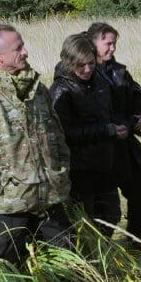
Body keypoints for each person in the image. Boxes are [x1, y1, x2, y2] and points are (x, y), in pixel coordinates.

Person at [0, 24, 74, 265]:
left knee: (70, 262)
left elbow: (57, 135)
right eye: (18, 48)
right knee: (7, 269)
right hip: (8, 205)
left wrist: (60, 172)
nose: (26, 52)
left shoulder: (37, 89)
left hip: (48, 196)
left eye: (23, 45)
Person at [50, 33, 127, 236]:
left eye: (91, 64)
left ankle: (107, 256)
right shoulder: (61, 90)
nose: (87, 69)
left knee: (110, 215)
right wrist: (106, 130)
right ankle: (87, 263)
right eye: (81, 65)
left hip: (105, 163)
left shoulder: (100, 81)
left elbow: (110, 111)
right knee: (84, 221)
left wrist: (123, 124)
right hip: (78, 169)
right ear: (69, 62)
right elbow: (62, 133)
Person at [87, 22, 141, 243]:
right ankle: (101, 250)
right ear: (92, 42)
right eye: (108, 43)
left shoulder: (118, 71)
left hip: (124, 148)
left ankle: (137, 239)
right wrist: (124, 122)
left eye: (114, 43)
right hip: (98, 150)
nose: (112, 48)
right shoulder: (82, 71)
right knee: (106, 208)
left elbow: (137, 96)